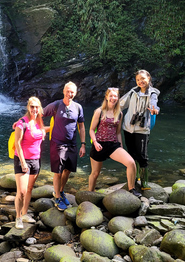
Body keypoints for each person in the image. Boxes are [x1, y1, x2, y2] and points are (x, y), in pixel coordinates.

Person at [43, 82, 86, 211]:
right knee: (58, 171)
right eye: (68, 91)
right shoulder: (56, 105)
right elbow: (38, 114)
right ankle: (57, 197)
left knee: (67, 170)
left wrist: (83, 144)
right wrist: (23, 122)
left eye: (72, 92)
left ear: (76, 93)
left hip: (72, 143)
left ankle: (61, 191)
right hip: (57, 143)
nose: (70, 94)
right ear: (63, 91)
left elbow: (82, 127)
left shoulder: (78, 107)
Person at [88, 88, 139, 196]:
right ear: (106, 97)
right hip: (99, 144)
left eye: (115, 96)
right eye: (111, 96)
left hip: (113, 145)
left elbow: (118, 132)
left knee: (131, 162)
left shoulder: (119, 113)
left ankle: (132, 189)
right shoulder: (99, 111)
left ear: (118, 98)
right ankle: (90, 193)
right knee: (95, 173)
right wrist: (95, 142)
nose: (113, 98)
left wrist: (120, 147)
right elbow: (91, 130)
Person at [120, 69, 160, 191]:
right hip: (128, 128)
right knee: (131, 154)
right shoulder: (133, 92)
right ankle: (135, 177)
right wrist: (105, 108)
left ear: (148, 78)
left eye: (143, 78)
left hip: (142, 129)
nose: (140, 81)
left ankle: (144, 182)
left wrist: (154, 109)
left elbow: (154, 104)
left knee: (142, 156)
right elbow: (120, 104)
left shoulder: (152, 93)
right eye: (138, 79)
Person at [13, 97, 47, 229]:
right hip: (23, 160)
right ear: (28, 107)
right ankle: (18, 217)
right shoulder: (22, 123)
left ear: (40, 108)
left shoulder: (39, 121)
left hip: (36, 159)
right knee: (21, 191)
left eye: (36, 107)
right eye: (32, 107)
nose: (34, 109)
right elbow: (17, 144)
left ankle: (25, 213)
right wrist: (23, 163)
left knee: (29, 189)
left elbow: (44, 129)